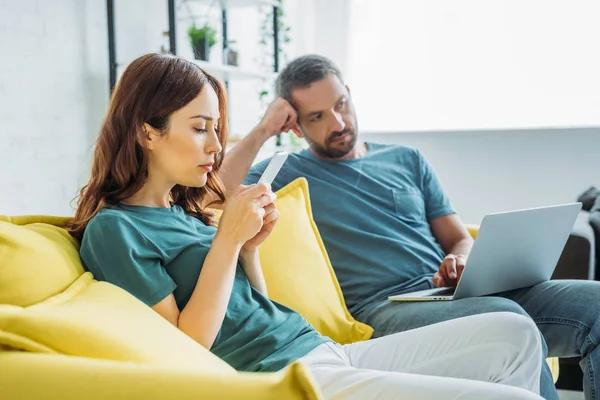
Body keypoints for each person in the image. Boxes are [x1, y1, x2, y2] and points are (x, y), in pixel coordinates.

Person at [70, 53, 543, 400]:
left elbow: (253, 306)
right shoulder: (115, 231)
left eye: (217, 127)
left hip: (320, 349)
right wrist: (227, 241)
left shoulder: (180, 211)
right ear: (146, 131)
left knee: (515, 334)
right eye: (199, 128)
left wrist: (249, 250)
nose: (215, 144)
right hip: (285, 376)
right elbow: (186, 347)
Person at [225, 54, 600, 400]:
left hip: (453, 292)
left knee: (595, 306)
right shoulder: (287, 172)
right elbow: (211, 188)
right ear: (295, 125)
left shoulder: (406, 158)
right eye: (317, 117)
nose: (337, 123)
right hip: (386, 309)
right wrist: (262, 130)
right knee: (507, 317)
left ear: (350, 95)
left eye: (340, 105)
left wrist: (458, 259)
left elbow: (456, 238)